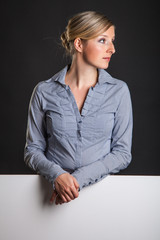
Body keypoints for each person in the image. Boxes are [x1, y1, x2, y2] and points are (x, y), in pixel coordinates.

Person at [24, 11, 133, 205]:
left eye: (112, 40)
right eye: (103, 40)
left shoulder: (119, 91)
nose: (112, 49)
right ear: (79, 44)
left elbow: (122, 153)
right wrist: (57, 176)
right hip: (49, 195)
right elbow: (32, 150)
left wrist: (75, 181)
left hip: (102, 198)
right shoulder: (43, 91)